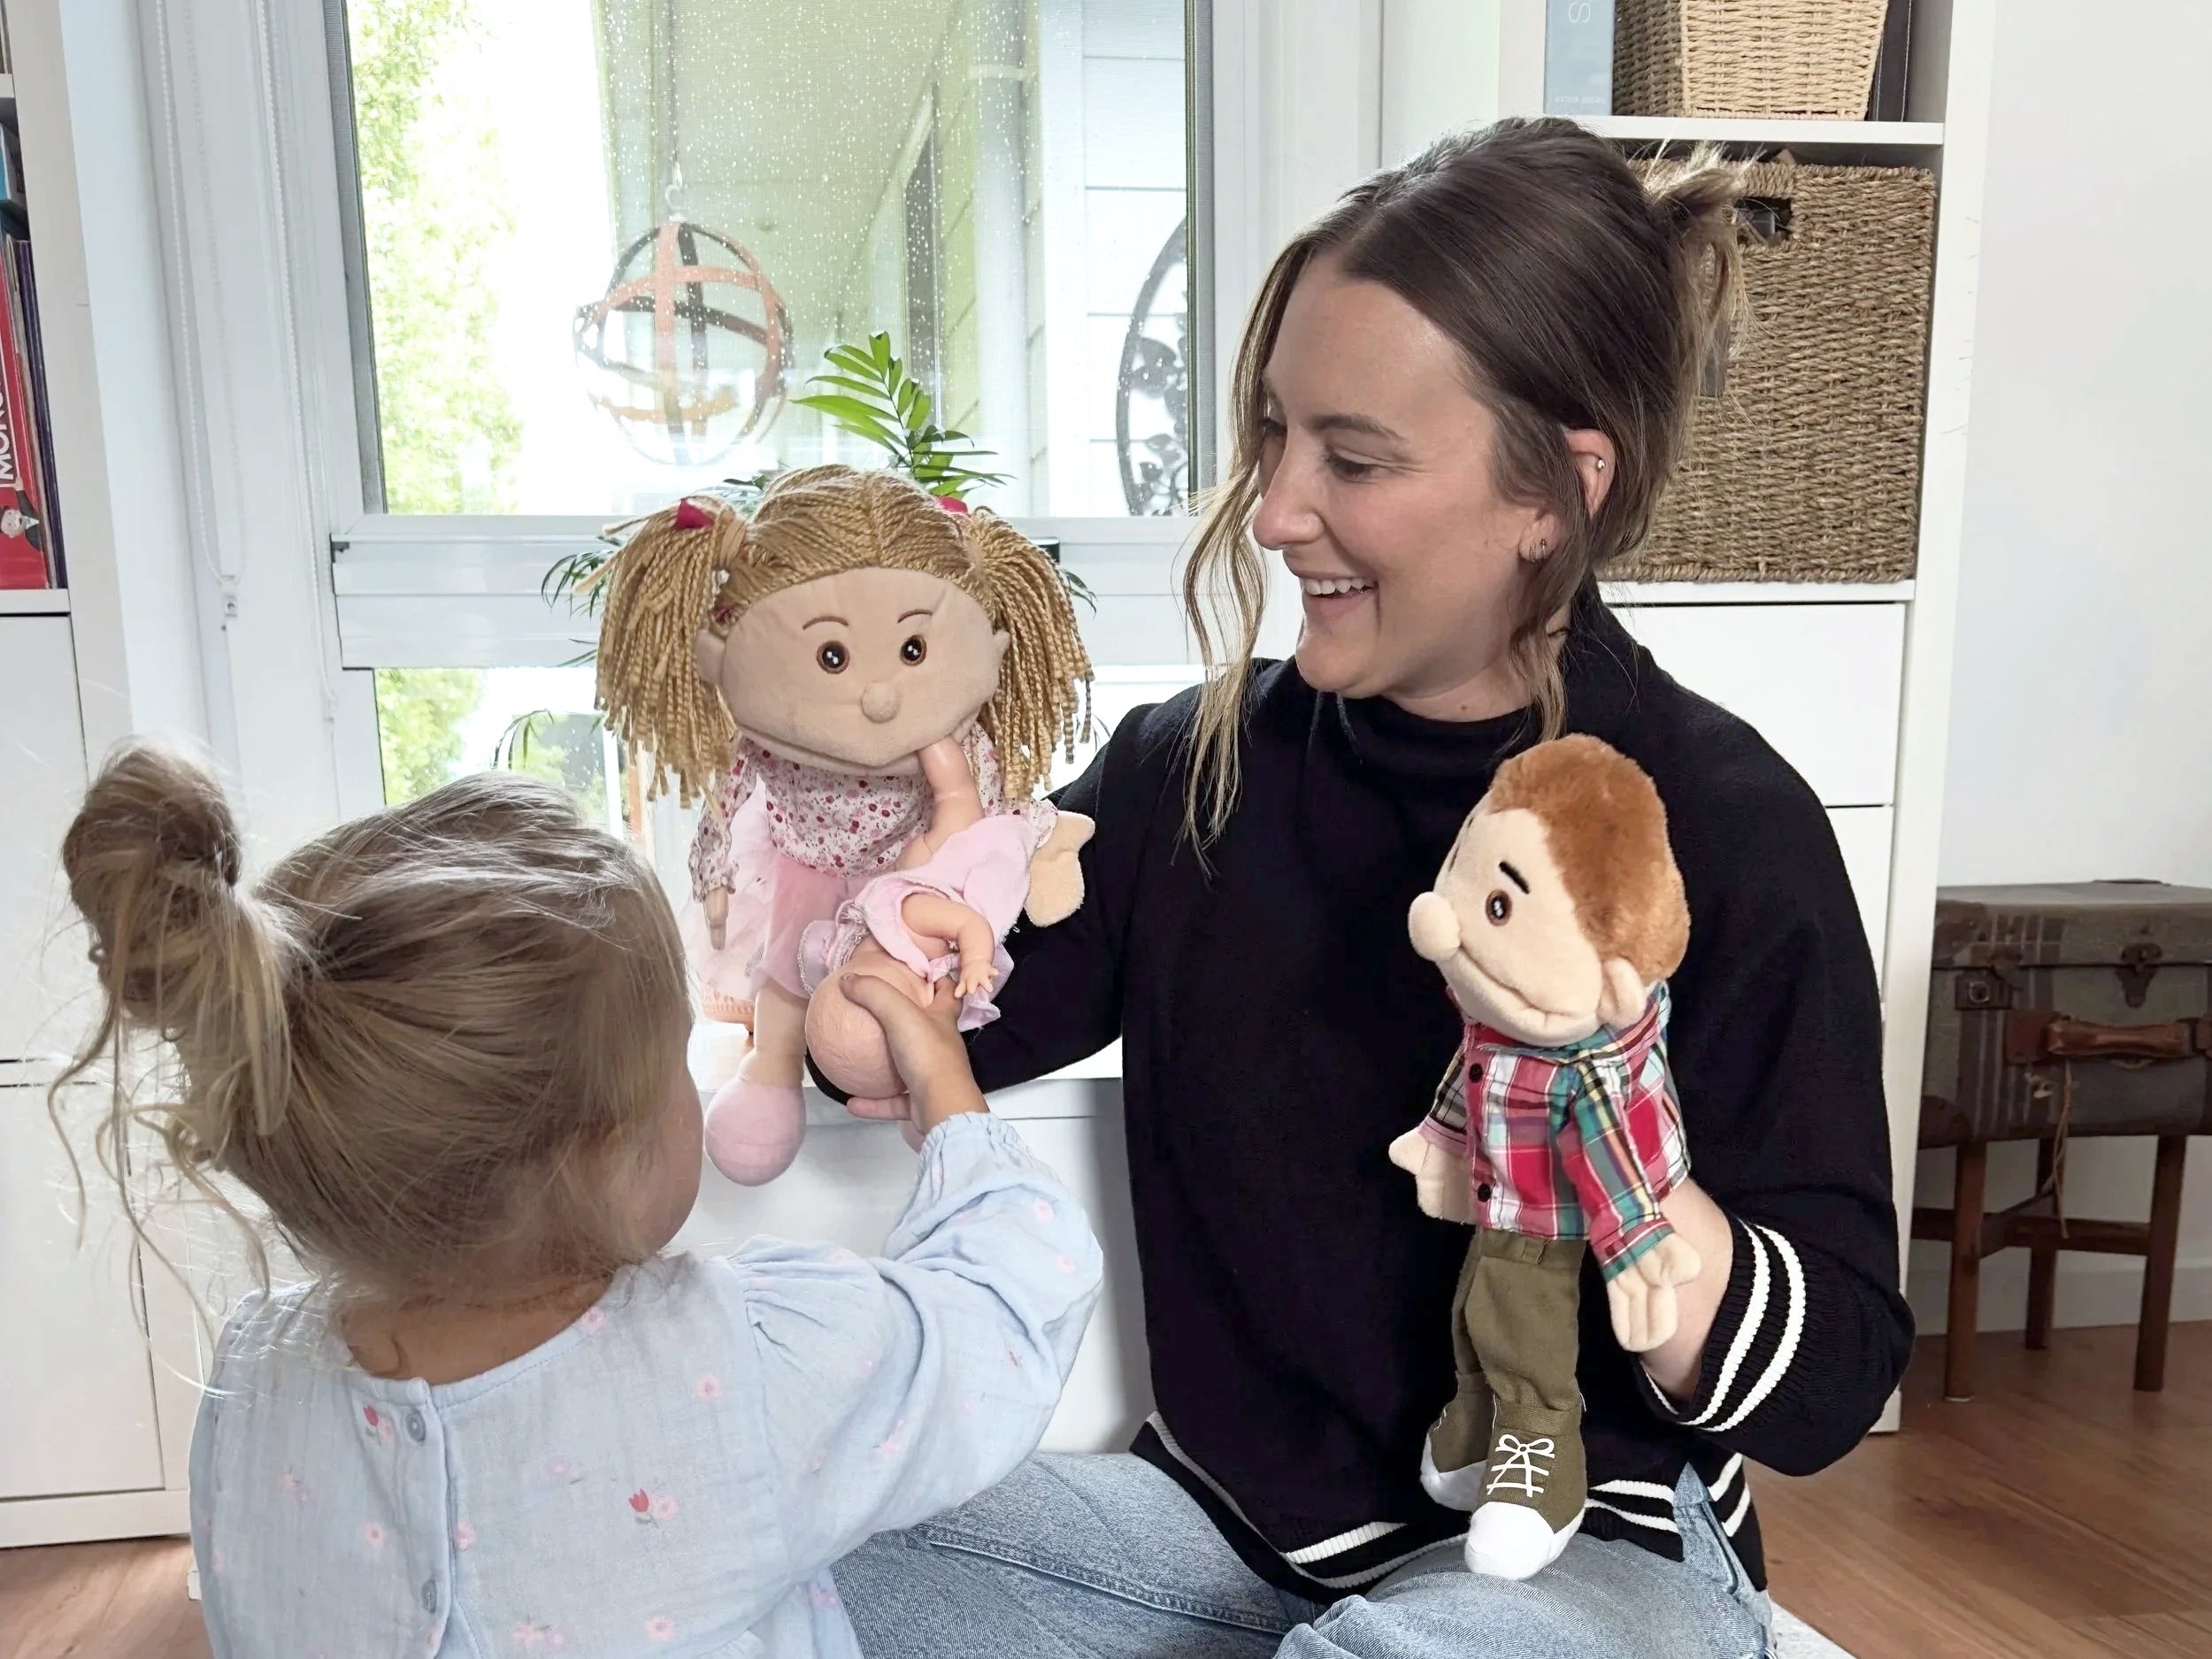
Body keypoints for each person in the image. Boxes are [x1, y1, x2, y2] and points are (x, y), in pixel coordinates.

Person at [826, 117, 1913, 1657]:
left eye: (1353, 456)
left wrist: (1620, 1161)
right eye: (1275, 433)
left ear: (1556, 493)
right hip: (1228, 1534)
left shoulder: (1727, 824)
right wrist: (913, 914)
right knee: (803, 1528)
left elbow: (1835, 1380)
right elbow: (893, 1043)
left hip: (1589, 1550)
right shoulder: (1188, 771)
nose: (1277, 509)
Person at [53, 746, 1101, 1658]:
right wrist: (948, 1090)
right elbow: (1005, 1316)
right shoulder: (747, 1364)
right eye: (673, 1061)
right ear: (606, 1153)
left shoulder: (251, 1372)